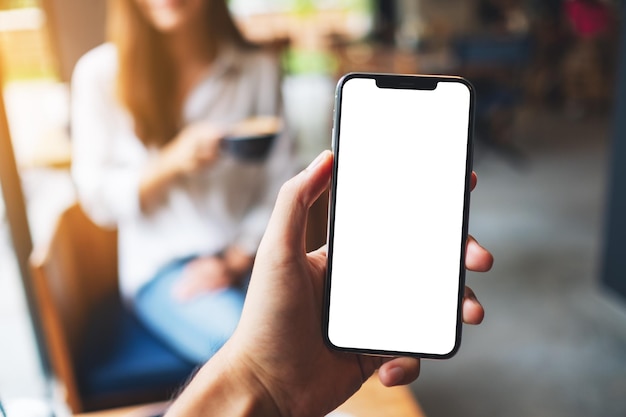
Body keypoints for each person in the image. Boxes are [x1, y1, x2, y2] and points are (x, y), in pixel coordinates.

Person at [165, 151, 494, 417]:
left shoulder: (255, 75)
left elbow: (276, 171)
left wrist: (261, 385)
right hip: (166, 262)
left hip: (239, 251)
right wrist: (260, 383)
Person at [71, 0, 294, 364]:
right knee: (264, 353)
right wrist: (171, 161)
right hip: (165, 272)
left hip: (254, 259)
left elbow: (281, 181)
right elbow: (98, 202)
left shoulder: (258, 70)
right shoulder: (99, 75)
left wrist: (234, 260)